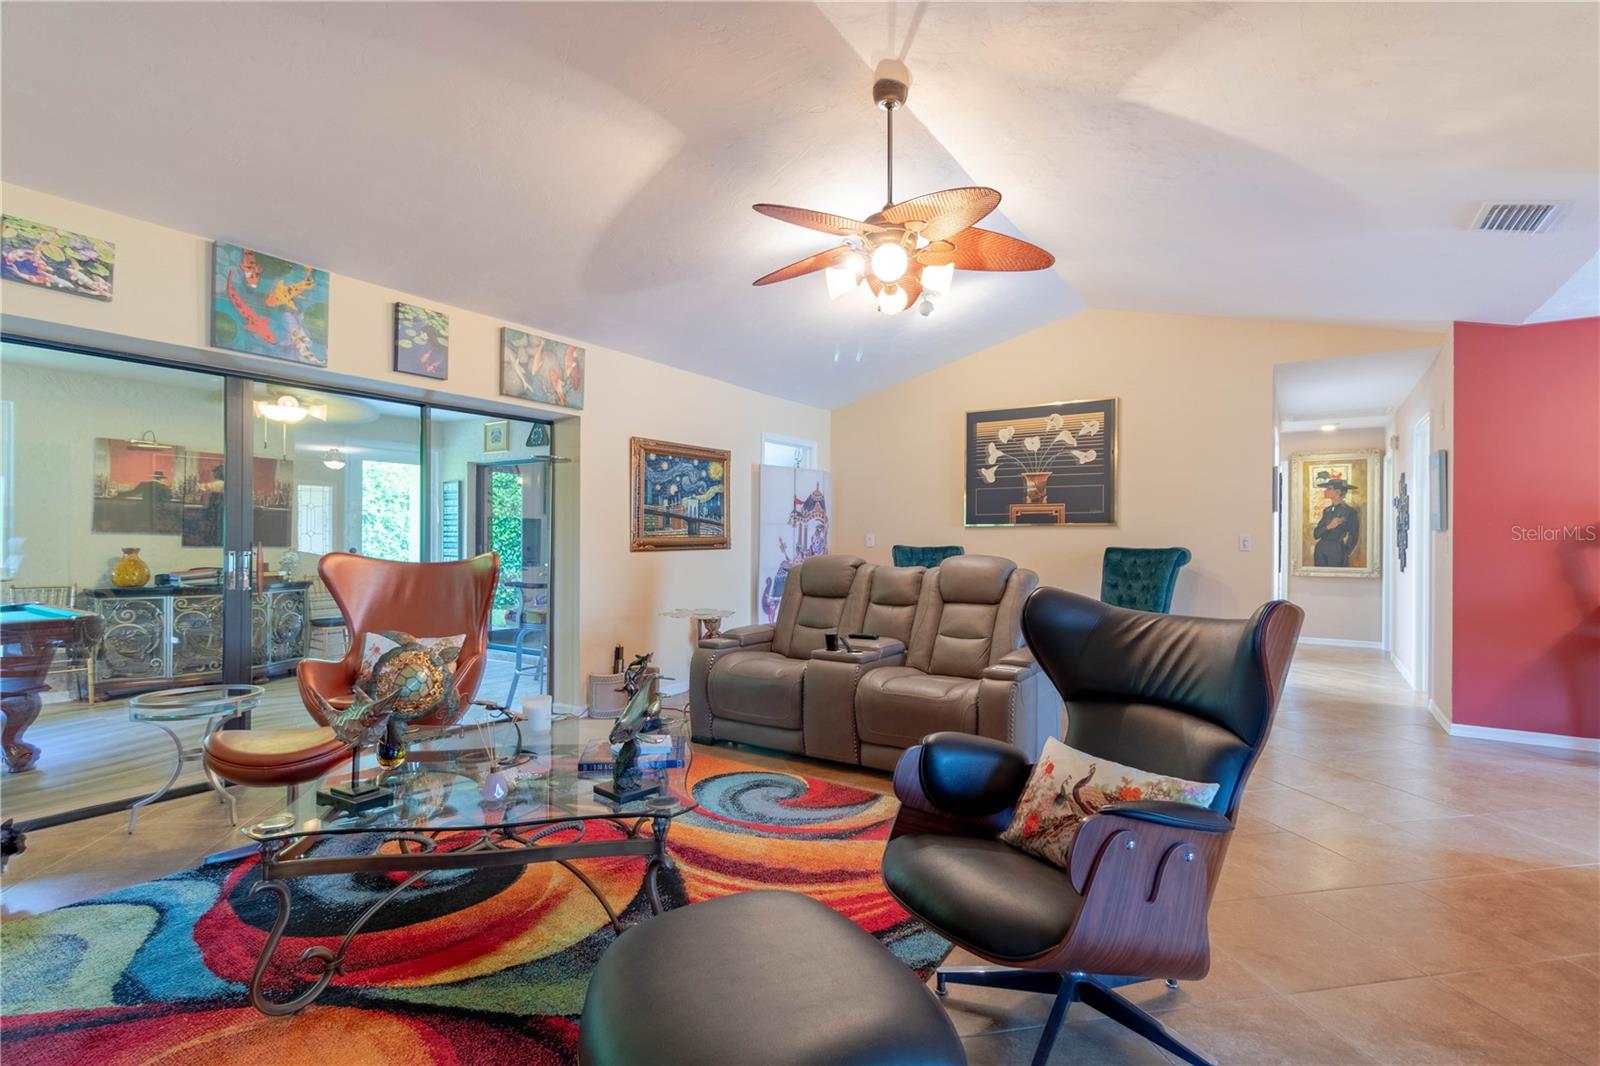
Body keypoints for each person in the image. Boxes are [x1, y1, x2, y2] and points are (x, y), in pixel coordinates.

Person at [1312, 477, 1360, 567]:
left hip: (1336, 550)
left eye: (1329, 488)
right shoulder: (1327, 510)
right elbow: (1316, 534)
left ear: (1337, 492)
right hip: (1320, 549)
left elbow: (1353, 535)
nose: (1325, 491)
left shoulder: (1350, 512)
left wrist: (1346, 552)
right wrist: (1328, 527)